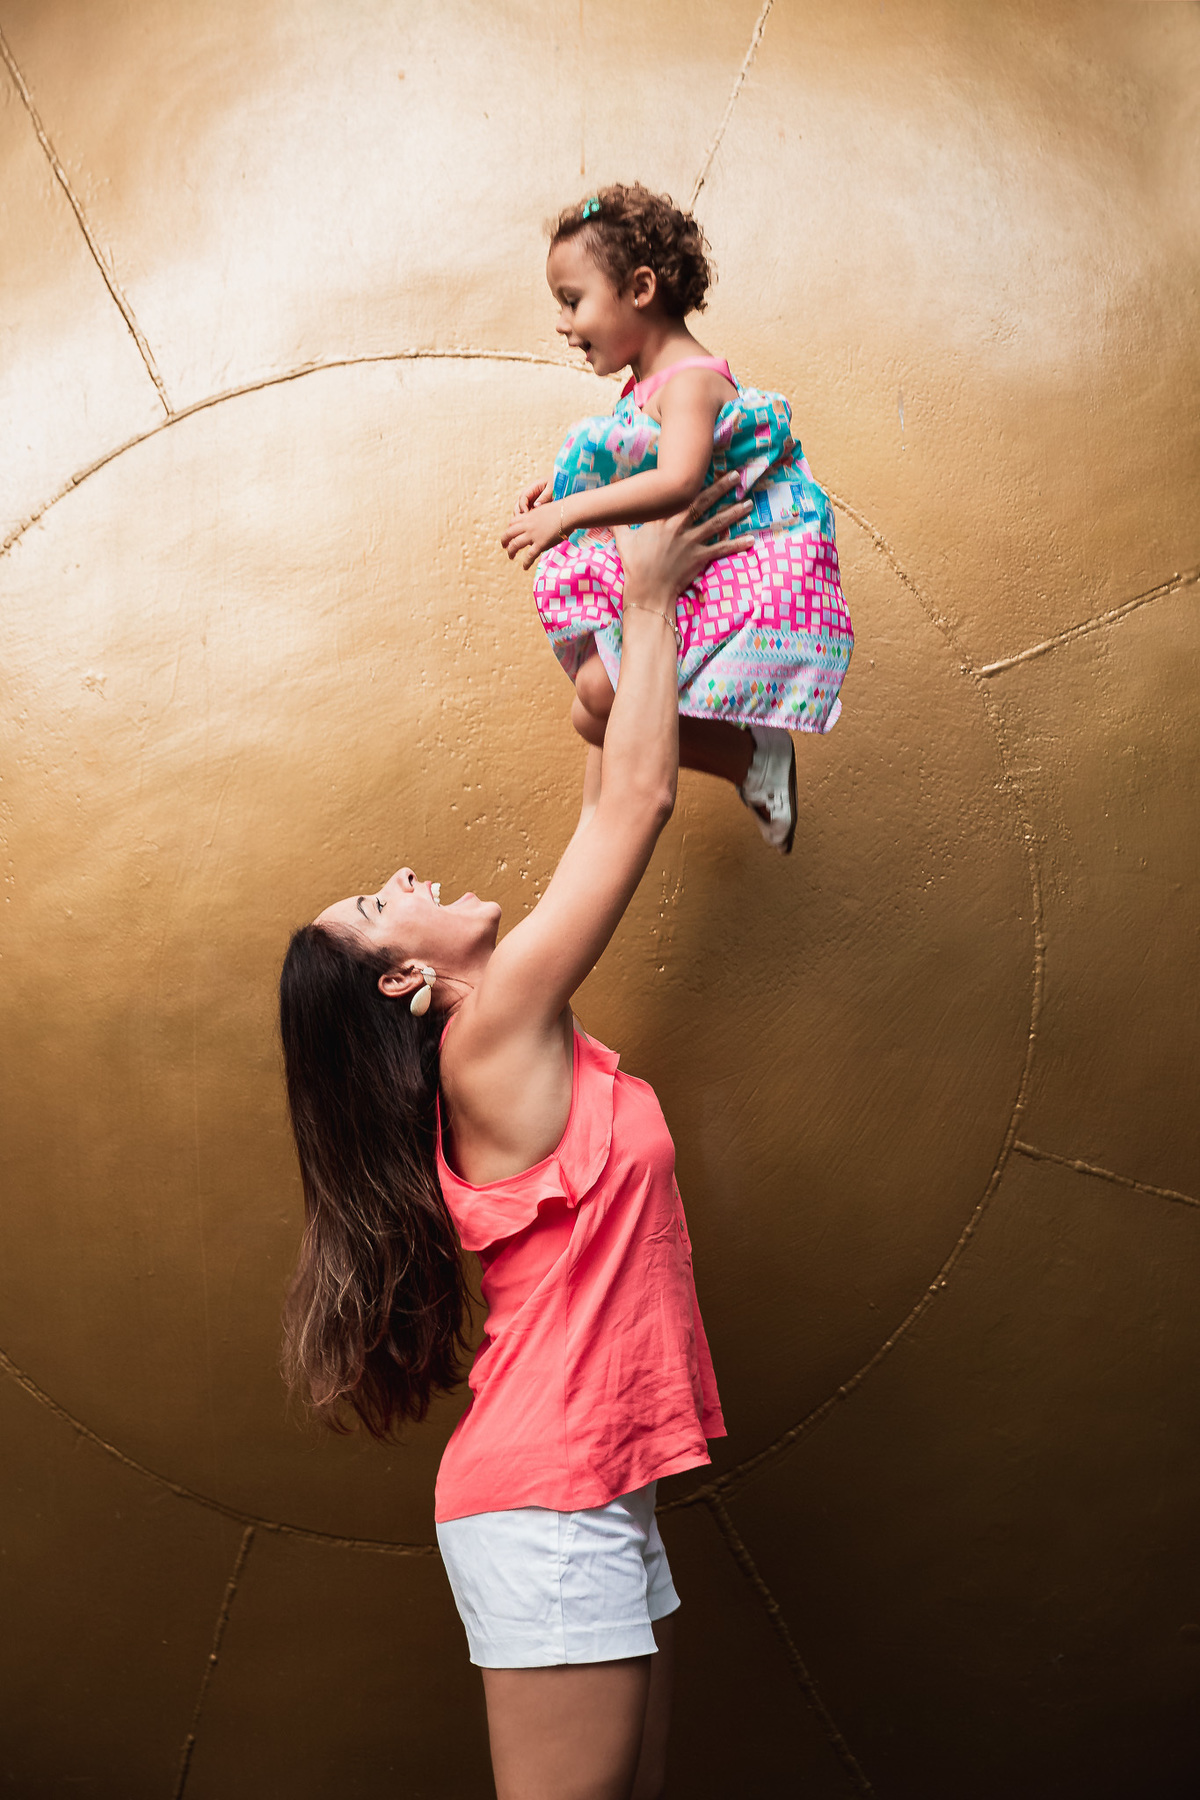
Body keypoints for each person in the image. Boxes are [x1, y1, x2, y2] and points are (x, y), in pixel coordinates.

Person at [279, 481, 748, 1800]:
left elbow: (610, 756)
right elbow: (644, 798)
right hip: (550, 1502)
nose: (412, 878)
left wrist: (593, 580)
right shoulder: (493, 1042)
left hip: (590, 1486)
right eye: (384, 904)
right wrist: (652, 589)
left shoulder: (517, 1028)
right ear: (399, 986)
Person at [500, 181, 855, 856]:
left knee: (600, 698)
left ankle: (752, 760)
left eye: (572, 301)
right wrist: (563, 482)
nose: (561, 322)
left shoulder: (690, 380)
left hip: (732, 572)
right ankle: (748, 757)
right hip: (692, 573)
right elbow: (636, 457)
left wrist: (569, 513)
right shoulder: (646, 388)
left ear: (639, 289)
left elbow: (678, 477)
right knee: (590, 711)